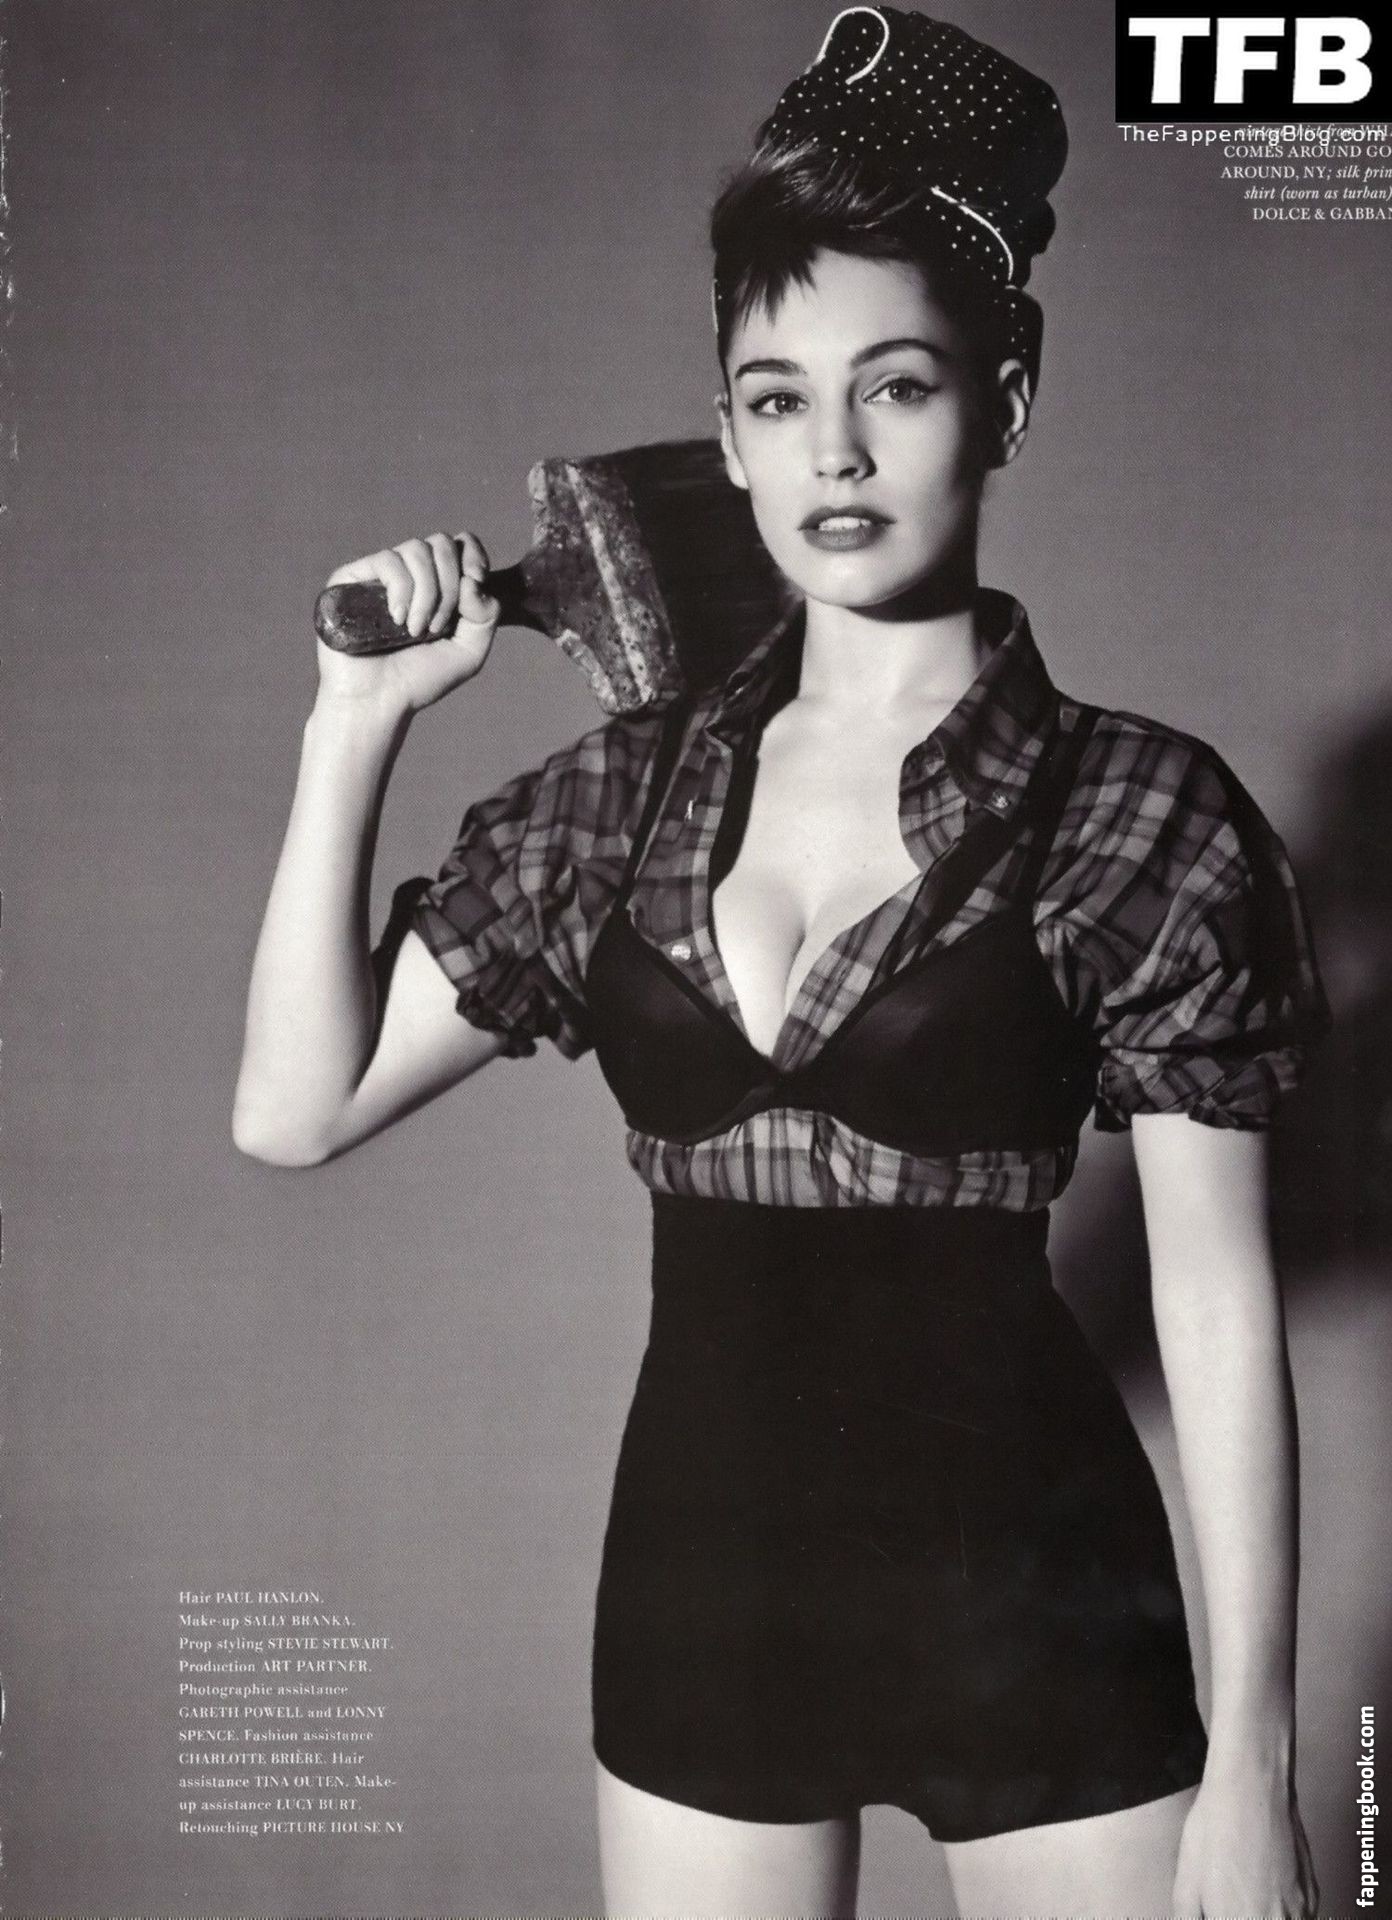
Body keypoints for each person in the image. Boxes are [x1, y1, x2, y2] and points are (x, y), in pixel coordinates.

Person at [233, 8, 1329, 1915]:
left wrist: (1258, 1766)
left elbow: (1219, 1311)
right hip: (704, 1605)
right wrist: (357, 724)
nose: (833, 450)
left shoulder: (1139, 810)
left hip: (1038, 1600)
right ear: (728, 433)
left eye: (895, 385)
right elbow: (291, 1111)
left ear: (1005, 398)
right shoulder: (621, 799)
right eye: (775, 396)